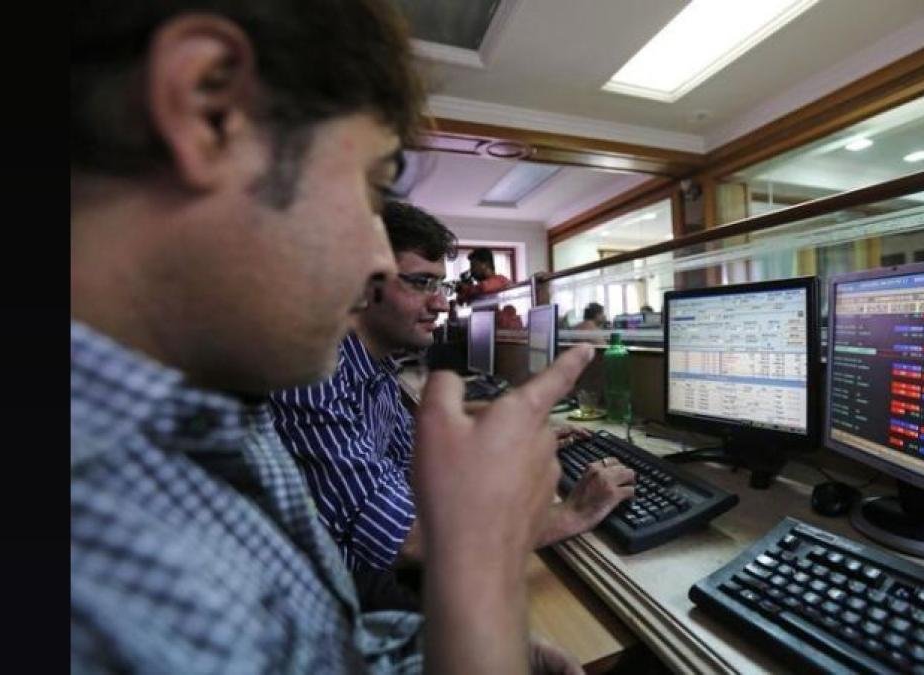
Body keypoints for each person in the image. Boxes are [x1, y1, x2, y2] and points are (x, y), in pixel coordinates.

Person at [71, 1, 589, 672]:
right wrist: (484, 574)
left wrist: (445, 650)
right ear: (209, 109)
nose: (376, 264)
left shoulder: (224, 405)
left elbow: (328, 645)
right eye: (372, 189)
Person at [270, 202, 635, 606]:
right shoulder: (313, 377)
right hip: (342, 598)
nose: (442, 304)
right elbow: (408, 540)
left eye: (440, 286)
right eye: (421, 283)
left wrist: (503, 442)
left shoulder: (376, 368)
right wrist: (571, 514)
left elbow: (411, 464)